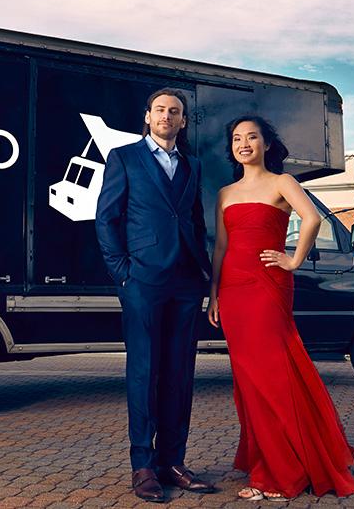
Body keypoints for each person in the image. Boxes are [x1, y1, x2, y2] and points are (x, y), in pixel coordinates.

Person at [207, 115, 354, 502]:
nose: (244, 144)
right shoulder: (225, 193)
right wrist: (214, 292)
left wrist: (293, 260)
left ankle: (283, 472)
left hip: (267, 286)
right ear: (232, 148)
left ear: (266, 144)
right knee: (247, 380)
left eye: (252, 137)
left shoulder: (283, 183)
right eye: (237, 139)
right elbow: (221, 248)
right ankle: (269, 459)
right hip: (233, 289)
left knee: (273, 374)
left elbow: (311, 218)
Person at [95, 88, 215, 503]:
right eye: (160, 110)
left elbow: (195, 221)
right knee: (144, 371)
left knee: (180, 373)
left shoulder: (192, 165)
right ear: (147, 117)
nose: (167, 116)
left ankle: (173, 461)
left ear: (183, 122)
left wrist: (203, 271)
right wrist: (123, 273)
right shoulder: (124, 158)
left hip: (185, 282)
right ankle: (143, 466)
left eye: (175, 111)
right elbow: (107, 218)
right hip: (142, 280)